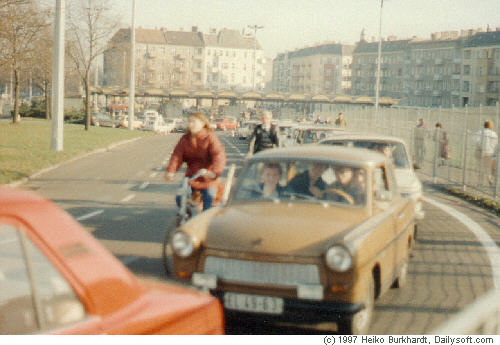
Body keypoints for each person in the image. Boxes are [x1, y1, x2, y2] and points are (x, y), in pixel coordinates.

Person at [165, 112, 226, 210]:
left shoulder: (210, 138)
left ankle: (205, 223)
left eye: (194, 122)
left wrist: (214, 172)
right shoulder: (185, 139)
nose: (190, 124)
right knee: (180, 198)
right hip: (191, 177)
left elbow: (218, 155)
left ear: (203, 123)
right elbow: (177, 156)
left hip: (208, 178)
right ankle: (186, 215)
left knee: (208, 205)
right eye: (189, 121)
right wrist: (170, 171)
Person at [473, 120, 498, 185]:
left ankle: (480, 181)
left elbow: (475, 141)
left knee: (480, 167)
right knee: (487, 167)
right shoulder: (494, 134)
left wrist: (479, 146)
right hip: (489, 152)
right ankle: (489, 178)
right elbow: (495, 143)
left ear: (484, 125)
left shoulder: (479, 132)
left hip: (480, 151)